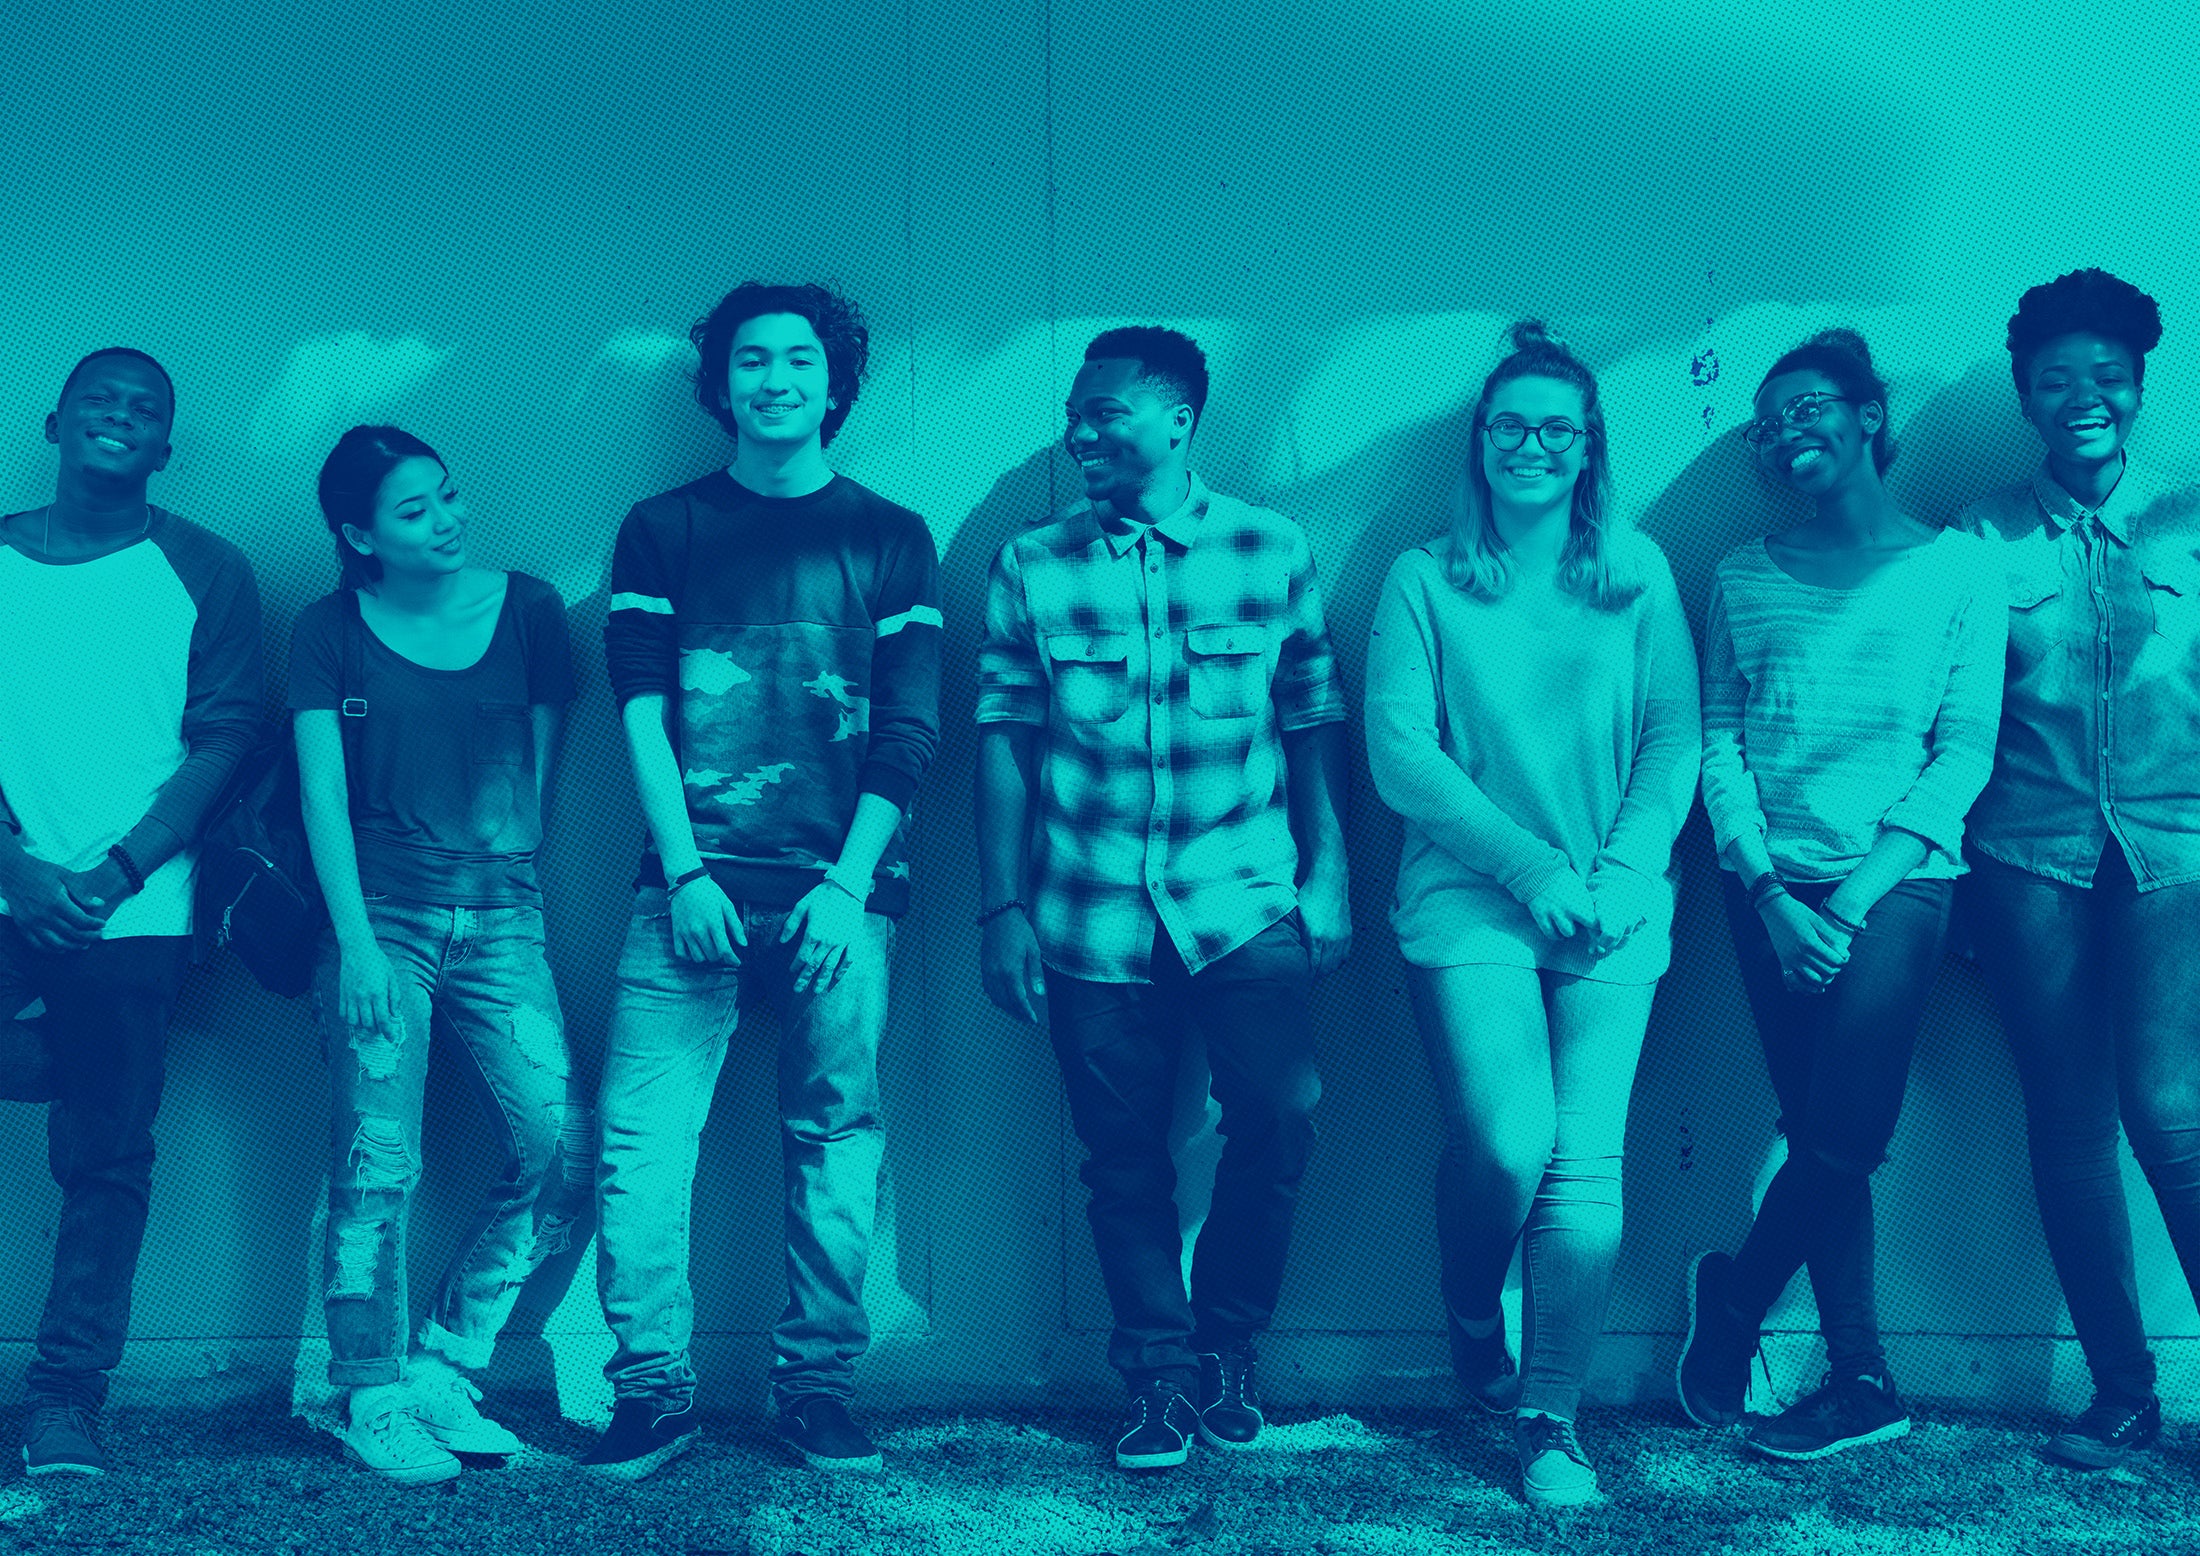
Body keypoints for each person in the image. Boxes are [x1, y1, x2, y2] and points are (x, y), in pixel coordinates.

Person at [975, 325, 1351, 1473]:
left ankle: (1227, 1349)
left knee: (1277, 1120)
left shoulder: (1268, 545)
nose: (1080, 433)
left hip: (1244, 898)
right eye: (1077, 414)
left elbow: (1311, 720)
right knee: (1120, 1153)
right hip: (1088, 911)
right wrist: (1002, 906)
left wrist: (1328, 870)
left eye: (1106, 412)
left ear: (1177, 419)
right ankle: (1155, 1371)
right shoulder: (1031, 562)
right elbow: (1004, 739)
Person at [585, 281, 941, 1479]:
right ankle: (649, 1393)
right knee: (641, 1143)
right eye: (751, 359)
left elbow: (908, 727)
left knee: (835, 1137)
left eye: (797, 357)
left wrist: (846, 888)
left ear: (832, 379)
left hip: (845, 899)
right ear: (720, 383)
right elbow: (638, 710)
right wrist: (682, 867)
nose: (774, 377)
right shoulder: (662, 529)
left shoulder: (891, 536)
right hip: (686, 891)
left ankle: (817, 1389)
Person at [1364, 322, 1700, 1507]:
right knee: (1510, 1141)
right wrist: (1528, 866)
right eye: (1510, 425)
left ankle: (1549, 1420)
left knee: (1583, 1160)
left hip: (1611, 899)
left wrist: (1618, 870)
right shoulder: (1424, 578)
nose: (1532, 446)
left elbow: (1672, 736)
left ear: (1587, 446)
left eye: (1557, 428)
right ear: (1480, 440)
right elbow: (1402, 755)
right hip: (1471, 891)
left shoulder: (1639, 571)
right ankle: (1472, 1305)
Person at [1677, 329, 2006, 1460]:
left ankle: (1736, 1305)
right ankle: (1861, 1375)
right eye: (1765, 422)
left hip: (1899, 885)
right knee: (1824, 1127)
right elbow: (1717, 746)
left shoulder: (1960, 570)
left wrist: (1850, 901)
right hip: (1764, 889)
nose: (1782, 433)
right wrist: (1770, 891)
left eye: (1806, 406)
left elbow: (1961, 751)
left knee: (1843, 1137)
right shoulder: (1740, 574)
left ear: (1870, 416)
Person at [291, 426, 591, 1487]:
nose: (447, 520)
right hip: (379, 919)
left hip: (503, 914)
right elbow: (321, 791)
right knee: (376, 1162)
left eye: (450, 494)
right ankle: (364, 1389)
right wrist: (360, 945)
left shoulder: (531, 609)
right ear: (357, 534)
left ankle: (443, 1360)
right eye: (413, 511)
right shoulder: (326, 630)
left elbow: (539, 760)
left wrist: (505, 870)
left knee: (561, 1146)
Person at [0, 348, 263, 1476]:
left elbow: (228, 730)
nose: (121, 414)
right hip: (8, 888)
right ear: (57, 419)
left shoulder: (207, 566)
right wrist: (14, 869)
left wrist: (113, 871)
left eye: (145, 407)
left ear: (165, 446)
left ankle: (63, 1400)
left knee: (104, 1154)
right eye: (101, 397)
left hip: (138, 909)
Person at [1954, 269, 2200, 1469]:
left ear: (2140, 385)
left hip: (2175, 859)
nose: (2082, 397)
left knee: (2173, 1113)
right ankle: (2120, 1391)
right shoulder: (1977, 534)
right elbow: (1949, 716)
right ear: (2025, 395)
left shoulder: (2195, 522)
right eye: (2056, 379)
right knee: (2066, 1120)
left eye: (2105, 376)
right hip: (2024, 857)